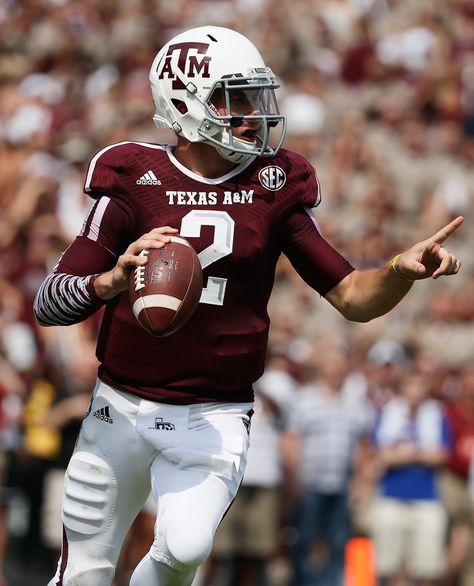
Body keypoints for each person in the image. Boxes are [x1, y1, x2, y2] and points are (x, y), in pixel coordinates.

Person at [32, 25, 463, 586]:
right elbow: (49, 302)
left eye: (254, 95)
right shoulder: (133, 177)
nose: (252, 111)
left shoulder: (273, 185)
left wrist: (399, 272)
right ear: (184, 102)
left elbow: (353, 297)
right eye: (232, 98)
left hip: (214, 414)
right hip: (122, 405)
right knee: (84, 570)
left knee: (185, 548)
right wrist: (108, 282)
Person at [370, 370, 452, 586]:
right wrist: (420, 454)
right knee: (388, 564)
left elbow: (442, 455)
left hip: (427, 497)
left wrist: (408, 454)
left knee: (426, 567)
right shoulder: (388, 414)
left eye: (420, 387)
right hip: (392, 495)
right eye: (411, 386)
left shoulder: (437, 415)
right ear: (402, 389)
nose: (415, 392)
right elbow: (381, 455)